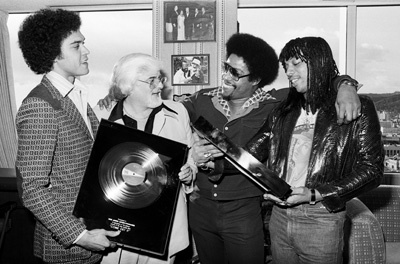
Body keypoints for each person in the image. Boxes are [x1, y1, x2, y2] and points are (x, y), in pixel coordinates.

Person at [97, 33, 361, 264]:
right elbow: (159, 116)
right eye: (226, 67)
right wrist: (117, 94)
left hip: (244, 211)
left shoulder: (276, 104)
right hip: (199, 210)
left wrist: (346, 86)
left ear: (256, 79)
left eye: (235, 73)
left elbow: (319, 83)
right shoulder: (200, 100)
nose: (225, 76)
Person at [246, 36, 384, 264]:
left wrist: (315, 193)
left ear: (319, 62)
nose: (289, 72)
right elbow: (250, 155)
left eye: (296, 63)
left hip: (321, 218)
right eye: (286, 66)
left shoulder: (355, 106)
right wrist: (214, 159)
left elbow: (372, 171)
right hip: (279, 217)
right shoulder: (283, 112)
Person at [15, 8, 120, 264]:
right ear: (53, 54)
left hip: (92, 233)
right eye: (76, 45)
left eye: (84, 43)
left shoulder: (77, 96)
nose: (86, 51)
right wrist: (80, 235)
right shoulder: (41, 105)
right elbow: (31, 189)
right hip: (66, 249)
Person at [95, 53, 197, 264]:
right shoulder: (98, 118)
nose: (160, 86)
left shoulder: (178, 113)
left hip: (164, 229)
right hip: (116, 231)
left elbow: (191, 158)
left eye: (160, 78)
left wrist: (188, 173)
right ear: (128, 86)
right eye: (152, 80)